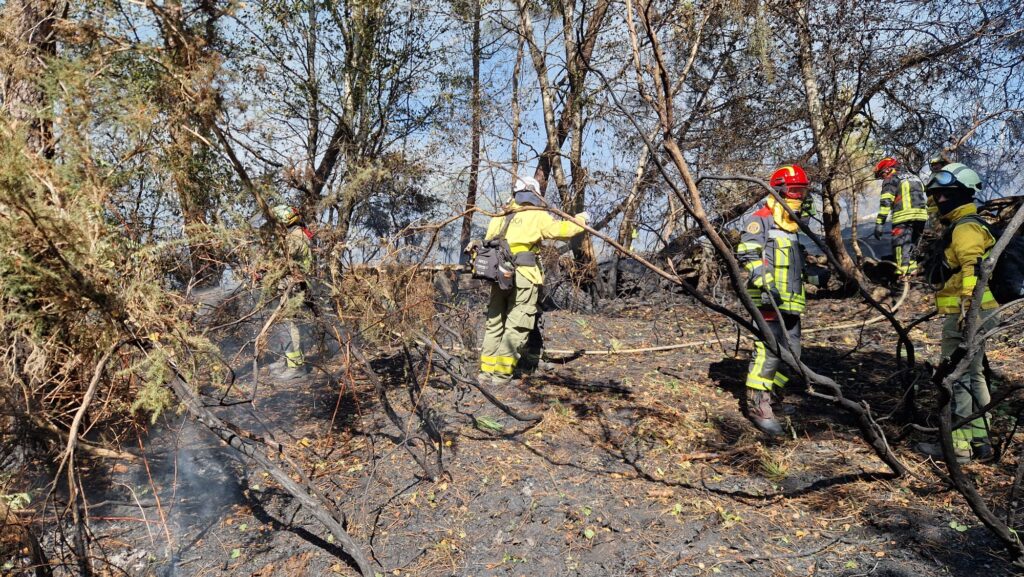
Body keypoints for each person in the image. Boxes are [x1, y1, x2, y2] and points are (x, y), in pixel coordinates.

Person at [916, 163, 998, 463]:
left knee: (956, 377)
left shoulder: (965, 227)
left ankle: (959, 446)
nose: (939, 200)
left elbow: (972, 268)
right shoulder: (965, 222)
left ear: (962, 194)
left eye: (945, 194)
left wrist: (966, 311)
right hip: (978, 311)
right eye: (936, 195)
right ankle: (982, 442)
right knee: (974, 375)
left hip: (968, 313)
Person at [477, 176, 588, 384]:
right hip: (524, 275)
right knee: (517, 324)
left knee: (495, 322)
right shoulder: (536, 215)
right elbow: (562, 231)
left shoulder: (500, 214)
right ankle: (501, 375)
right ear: (536, 195)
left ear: (515, 193)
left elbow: (488, 240)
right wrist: (581, 220)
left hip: (498, 275)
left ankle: (486, 372)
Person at [736, 165, 813, 436]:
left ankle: (773, 395)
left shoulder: (793, 223)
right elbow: (747, 253)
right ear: (779, 190)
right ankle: (758, 406)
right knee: (768, 352)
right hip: (768, 300)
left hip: (791, 302)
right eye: (794, 190)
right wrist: (764, 282)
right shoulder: (761, 219)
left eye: (802, 191)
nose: (798, 196)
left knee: (793, 353)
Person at [271, 204, 314, 380]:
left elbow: (281, 262)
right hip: (290, 286)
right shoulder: (296, 234)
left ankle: (296, 366)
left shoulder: (294, 238)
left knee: (290, 327)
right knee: (285, 325)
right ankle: (287, 360)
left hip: (293, 288)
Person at [872, 157, 928, 277]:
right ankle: (911, 272)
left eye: (882, 174)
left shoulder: (891, 179)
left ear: (888, 169)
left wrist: (879, 224)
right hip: (921, 217)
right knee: (913, 244)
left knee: (899, 244)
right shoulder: (914, 176)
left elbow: (886, 202)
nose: (882, 177)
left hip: (903, 217)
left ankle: (900, 274)